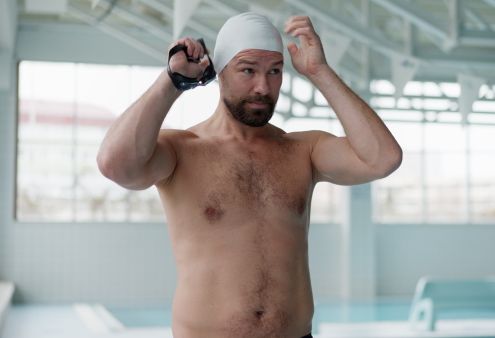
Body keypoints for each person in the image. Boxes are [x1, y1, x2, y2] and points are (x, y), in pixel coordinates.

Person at [97, 12, 402, 338]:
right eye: (248, 70)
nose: (263, 87)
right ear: (220, 70)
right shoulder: (182, 150)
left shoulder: (302, 150)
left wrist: (320, 72)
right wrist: (172, 81)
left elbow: (383, 158)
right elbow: (115, 164)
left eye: (275, 71)